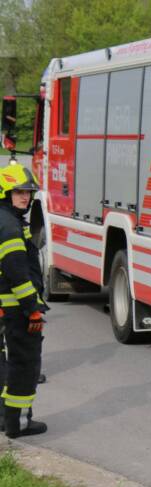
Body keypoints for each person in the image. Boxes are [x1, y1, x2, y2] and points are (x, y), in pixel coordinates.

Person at [0, 164, 48, 437]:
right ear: (6, 193)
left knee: (9, 363)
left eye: (28, 193)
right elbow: (17, 273)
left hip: (8, 307)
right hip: (17, 309)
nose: (25, 198)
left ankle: (6, 418)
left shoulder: (9, 219)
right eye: (19, 192)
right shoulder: (10, 227)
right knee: (25, 364)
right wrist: (33, 309)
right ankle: (18, 423)